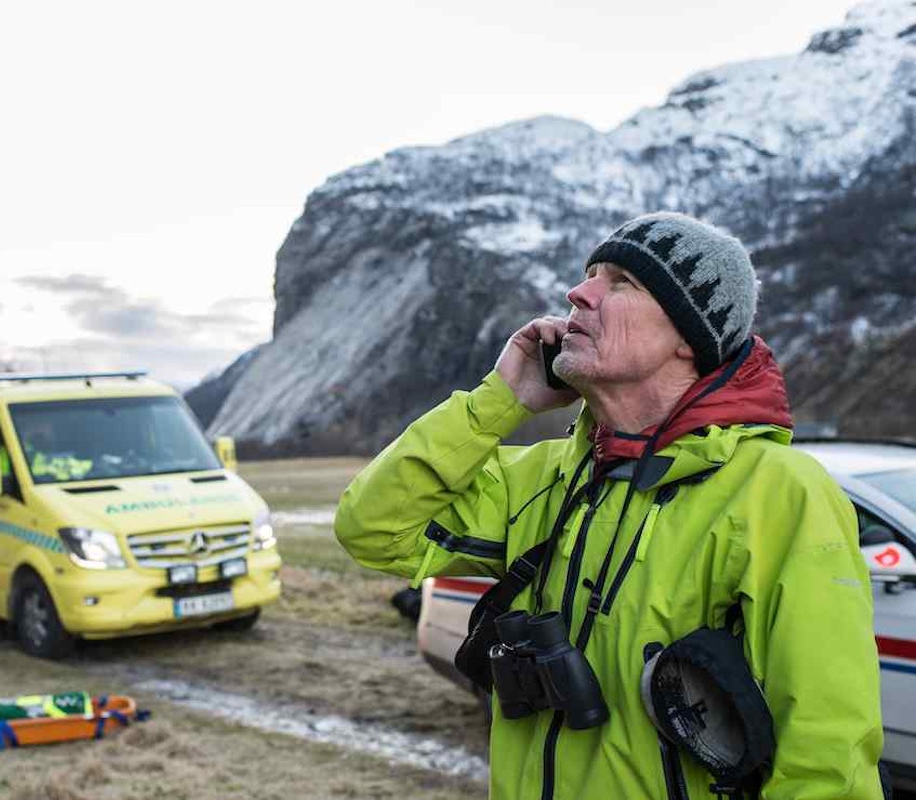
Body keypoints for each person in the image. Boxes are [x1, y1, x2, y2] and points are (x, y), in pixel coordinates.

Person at [335, 212, 884, 799]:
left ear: (687, 336)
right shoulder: (543, 480)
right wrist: (499, 402)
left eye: (621, 281)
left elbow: (828, 754)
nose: (578, 293)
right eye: (588, 274)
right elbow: (373, 527)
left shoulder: (778, 492)